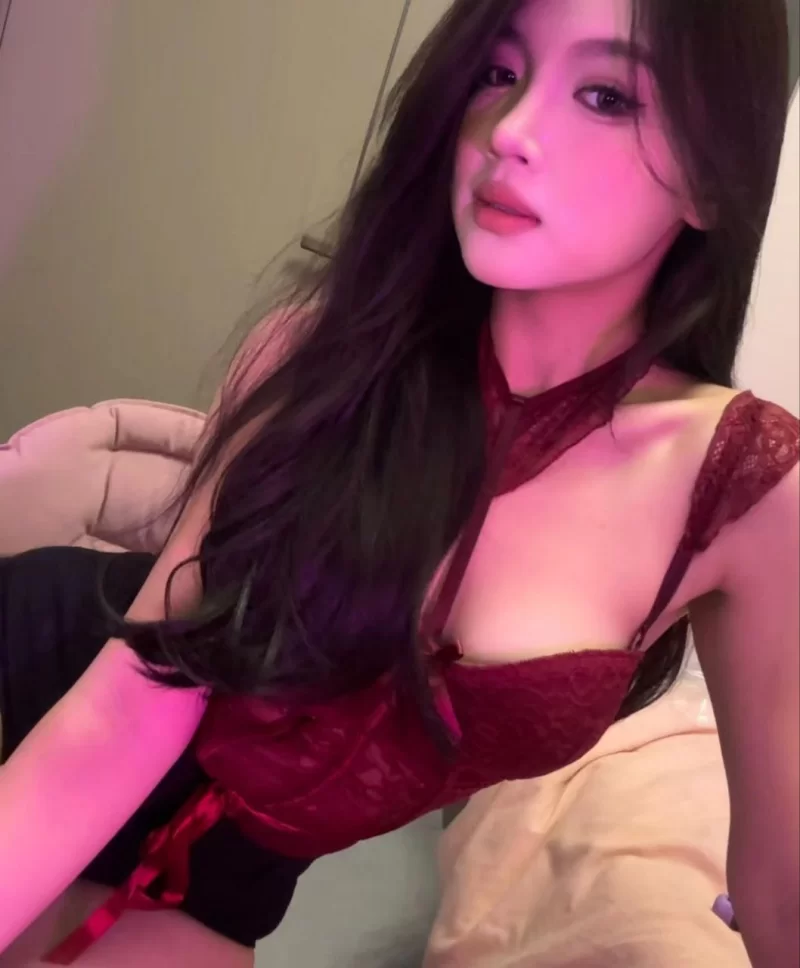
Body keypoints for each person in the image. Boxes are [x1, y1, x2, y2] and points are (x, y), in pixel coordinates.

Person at [0, 0, 797, 965]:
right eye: (497, 73)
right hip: (44, 693)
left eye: (605, 95)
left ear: (714, 174)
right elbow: (122, 715)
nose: (509, 130)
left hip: (230, 873)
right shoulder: (316, 350)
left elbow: (781, 884)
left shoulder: (744, 489)